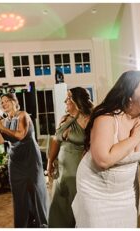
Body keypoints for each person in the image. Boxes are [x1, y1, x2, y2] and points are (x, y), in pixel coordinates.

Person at [71, 70, 140, 227]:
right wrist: (134, 137)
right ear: (130, 94)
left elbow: (136, 152)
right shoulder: (106, 118)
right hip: (96, 191)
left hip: (126, 192)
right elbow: (103, 160)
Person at [0, 93, 48, 227]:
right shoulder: (3, 121)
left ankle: (41, 225)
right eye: (1, 102)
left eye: (6, 101)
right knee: (19, 195)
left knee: (35, 191)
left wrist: (1, 126)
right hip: (15, 161)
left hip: (30, 157)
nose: (3, 104)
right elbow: (0, 141)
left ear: (14, 101)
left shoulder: (23, 115)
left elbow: (21, 135)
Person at [46, 87, 93, 227]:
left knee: (76, 210)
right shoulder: (65, 118)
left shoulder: (89, 119)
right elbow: (55, 140)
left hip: (77, 171)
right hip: (61, 172)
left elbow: (94, 144)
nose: (65, 101)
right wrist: (50, 162)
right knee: (58, 211)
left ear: (76, 101)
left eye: (68, 98)